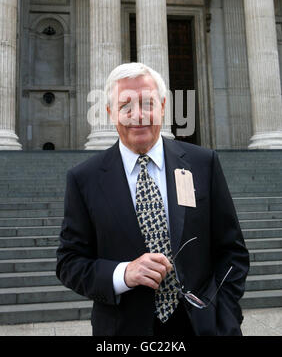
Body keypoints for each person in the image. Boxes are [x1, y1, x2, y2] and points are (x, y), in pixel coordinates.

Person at [56, 62, 249, 336]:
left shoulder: (203, 163)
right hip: (124, 331)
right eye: (125, 106)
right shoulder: (83, 179)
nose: (138, 115)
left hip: (203, 328)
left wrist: (224, 315)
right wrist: (123, 274)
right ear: (110, 113)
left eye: (147, 103)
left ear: (163, 106)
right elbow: (69, 262)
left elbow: (233, 251)